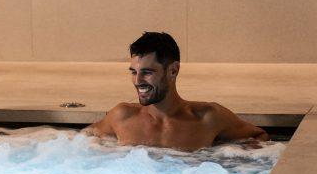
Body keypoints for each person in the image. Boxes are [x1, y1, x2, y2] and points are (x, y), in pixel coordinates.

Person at [86, 32, 268, 151]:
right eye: (134, 72)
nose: (138, 81)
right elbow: (81, 139)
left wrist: (238, 159)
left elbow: (259, 135)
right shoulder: (122, 116)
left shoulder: (207, 118)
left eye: (147, 73)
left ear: (173, 70)